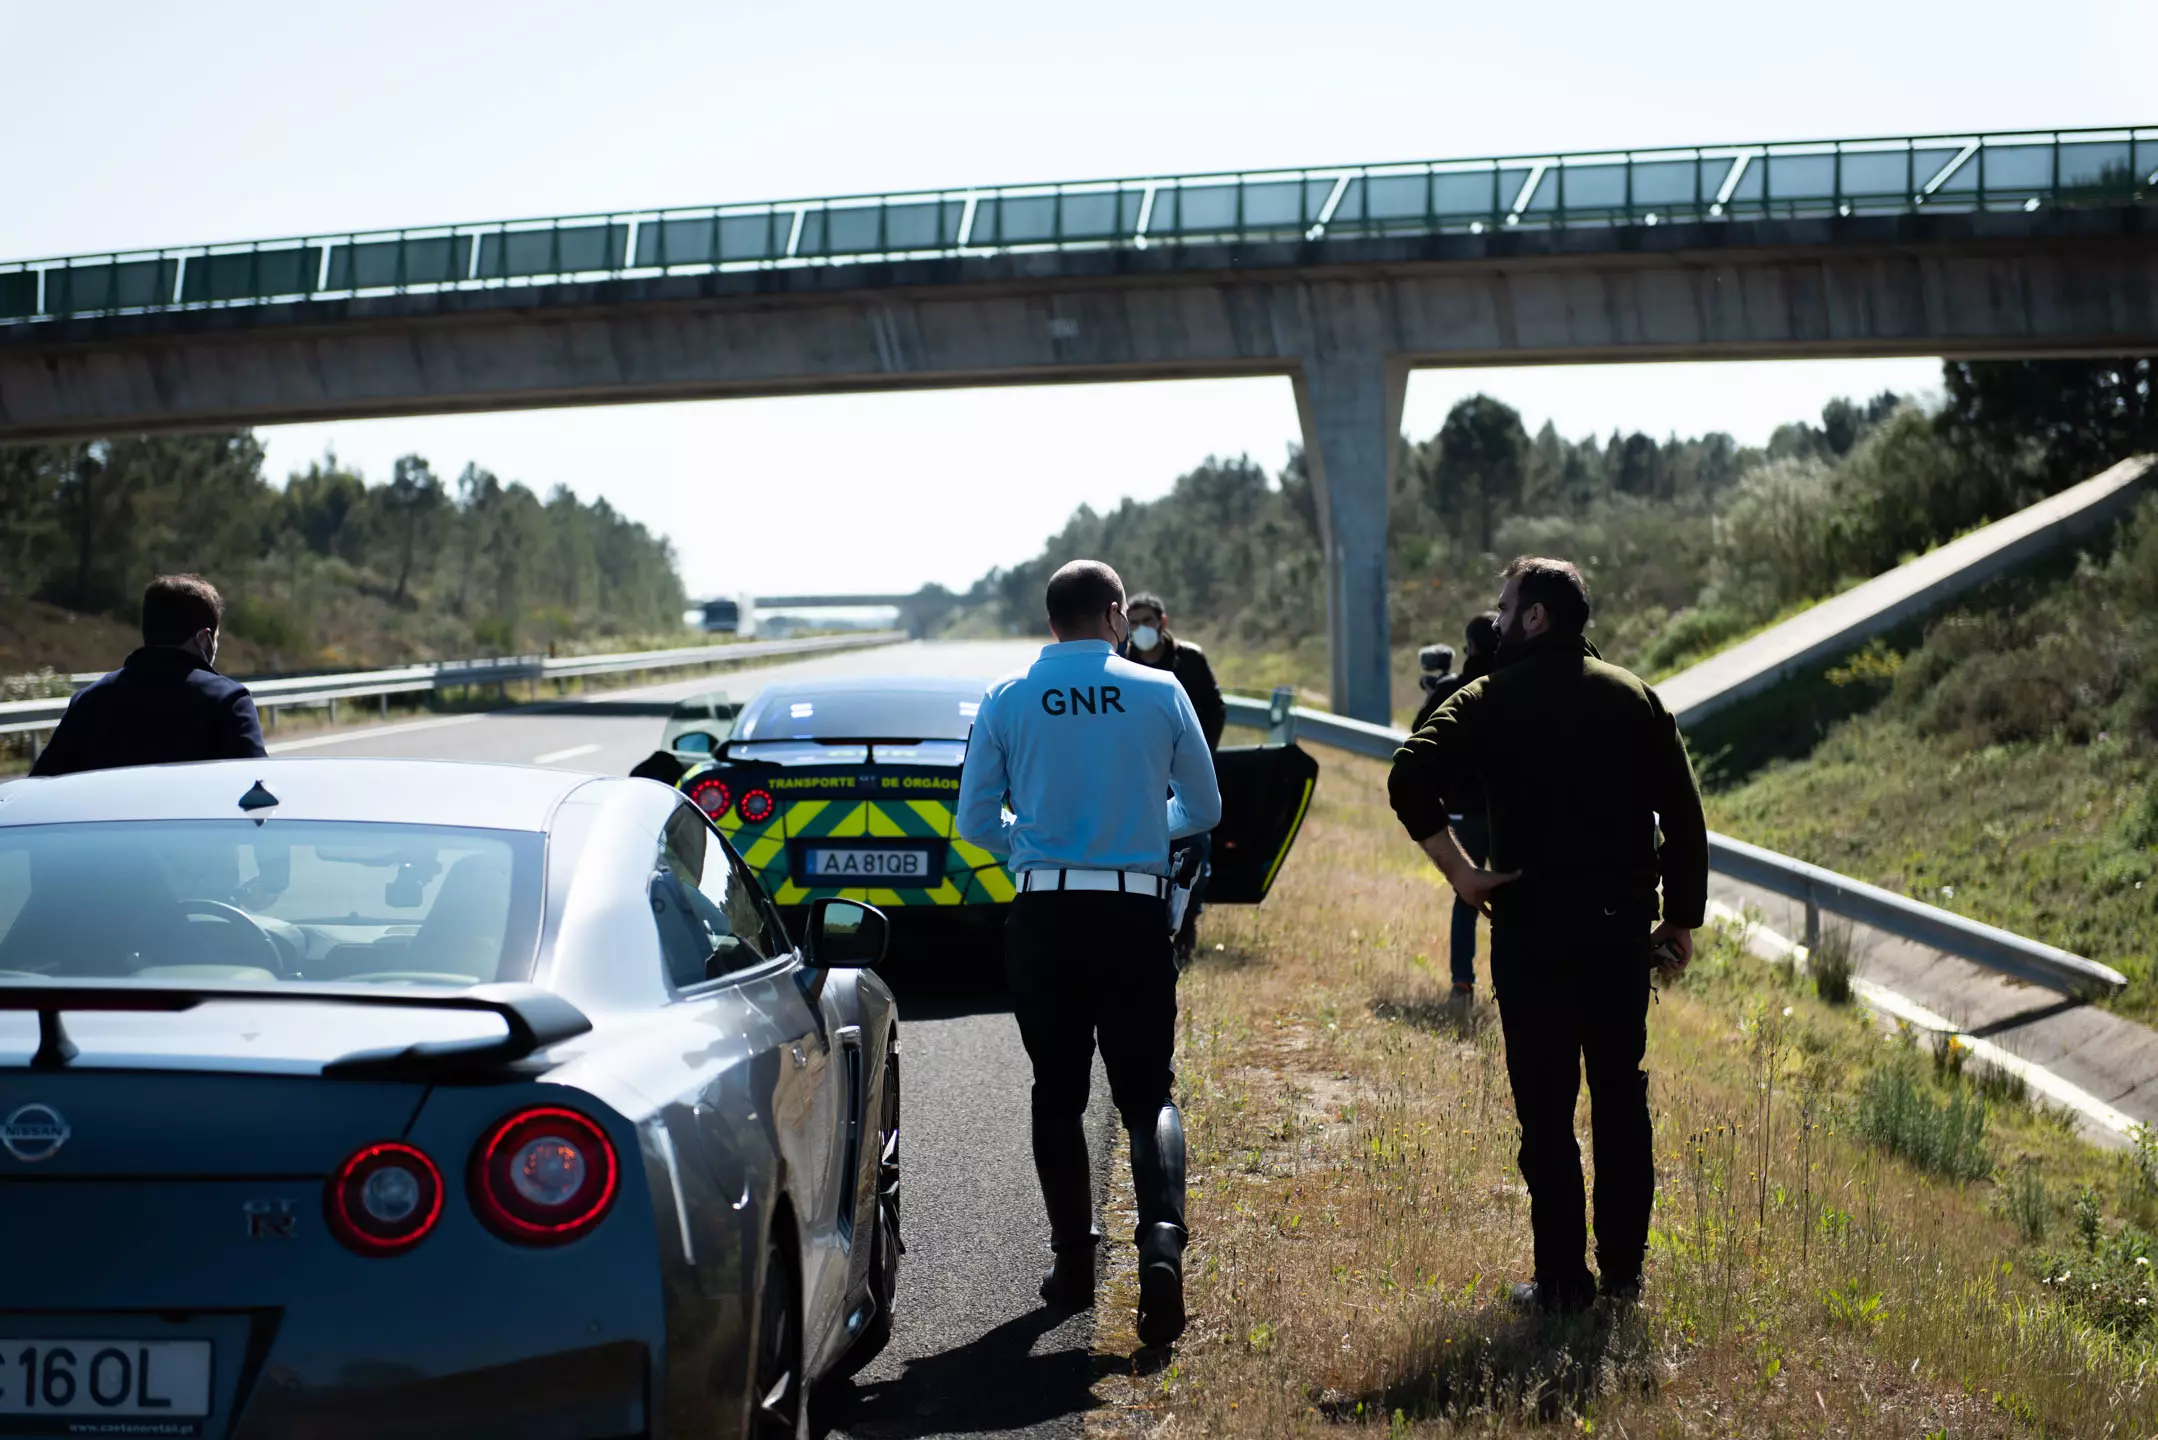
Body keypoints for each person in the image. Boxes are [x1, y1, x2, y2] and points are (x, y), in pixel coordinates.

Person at [1385, 557, 1707, 1314]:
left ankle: (1563, 1283)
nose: (1493, 622)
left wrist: (1463, 877)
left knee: (1548, 1113)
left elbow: (1409, 776)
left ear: (1535, 618)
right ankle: (1625, 1273)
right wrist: (1680, 918)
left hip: (1532, 936)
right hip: (1621, 935)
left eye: (1503, 608)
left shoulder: (1489, 697)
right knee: (1621, 1101)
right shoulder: (1637, 697)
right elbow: (1685, 819)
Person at [957, 560, 1222, 1348]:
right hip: (1132, 912)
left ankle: (1074, 1266)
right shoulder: (1159, 690)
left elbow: (975, 821)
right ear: (1115, 614)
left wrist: (1031, 843)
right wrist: (1140, 826)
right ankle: (1162, 1247)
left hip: (1045, 912)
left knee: (1058, 1090)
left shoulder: (1007, 697)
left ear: (1051, 623)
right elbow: (1205, 807)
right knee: (1148, 1095)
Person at [32, 574, 266, 777]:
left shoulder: (88, 701)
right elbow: (260, 791)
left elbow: (41, 785)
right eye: (215, 639)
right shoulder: (228, 701)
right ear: (204, 639)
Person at [1121, 592, 1226, 963]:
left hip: (1184, 774)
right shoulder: (1122, 663)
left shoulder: (1190, 660)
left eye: (1147, 621)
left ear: (1162, 622)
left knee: (1194, 852)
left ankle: (1187, 928)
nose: (1140, 629)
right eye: (1132, 622)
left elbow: (1214, 710)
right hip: (1143, 776)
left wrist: (1198, 759)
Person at [1412, 612, 1502, 1005]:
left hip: (1463, 812)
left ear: (1470, 647)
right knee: (1514, 899)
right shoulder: (1515, 684)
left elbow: (1417, 740)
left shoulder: (1454, 688)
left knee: (1467, 895)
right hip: (1508, 812)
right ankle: (1513, 983)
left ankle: (1462, 983)